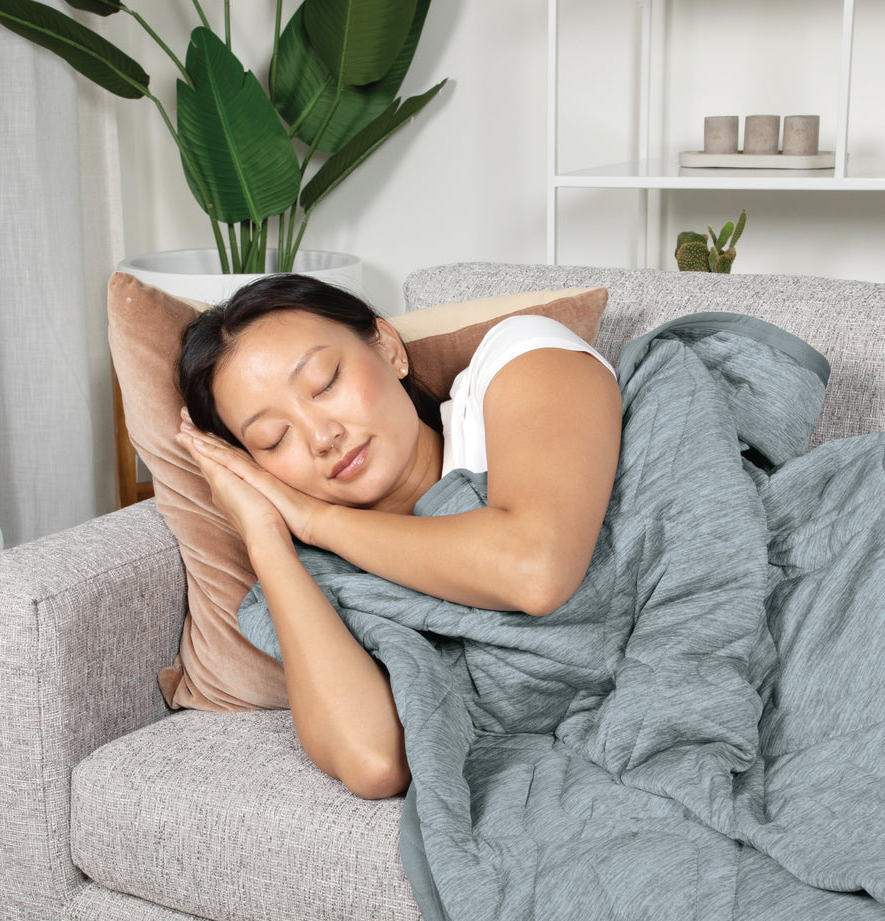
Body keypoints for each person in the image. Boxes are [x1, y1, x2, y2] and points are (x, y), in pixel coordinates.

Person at [177, 275, 621, 799]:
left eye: (324, 382)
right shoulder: (317, 581)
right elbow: (376, 761)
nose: (322, 437)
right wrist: (266, 535)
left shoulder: (519, 359)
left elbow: (535, 569)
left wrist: (316, 519)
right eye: (272, 439)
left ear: (388, 349)